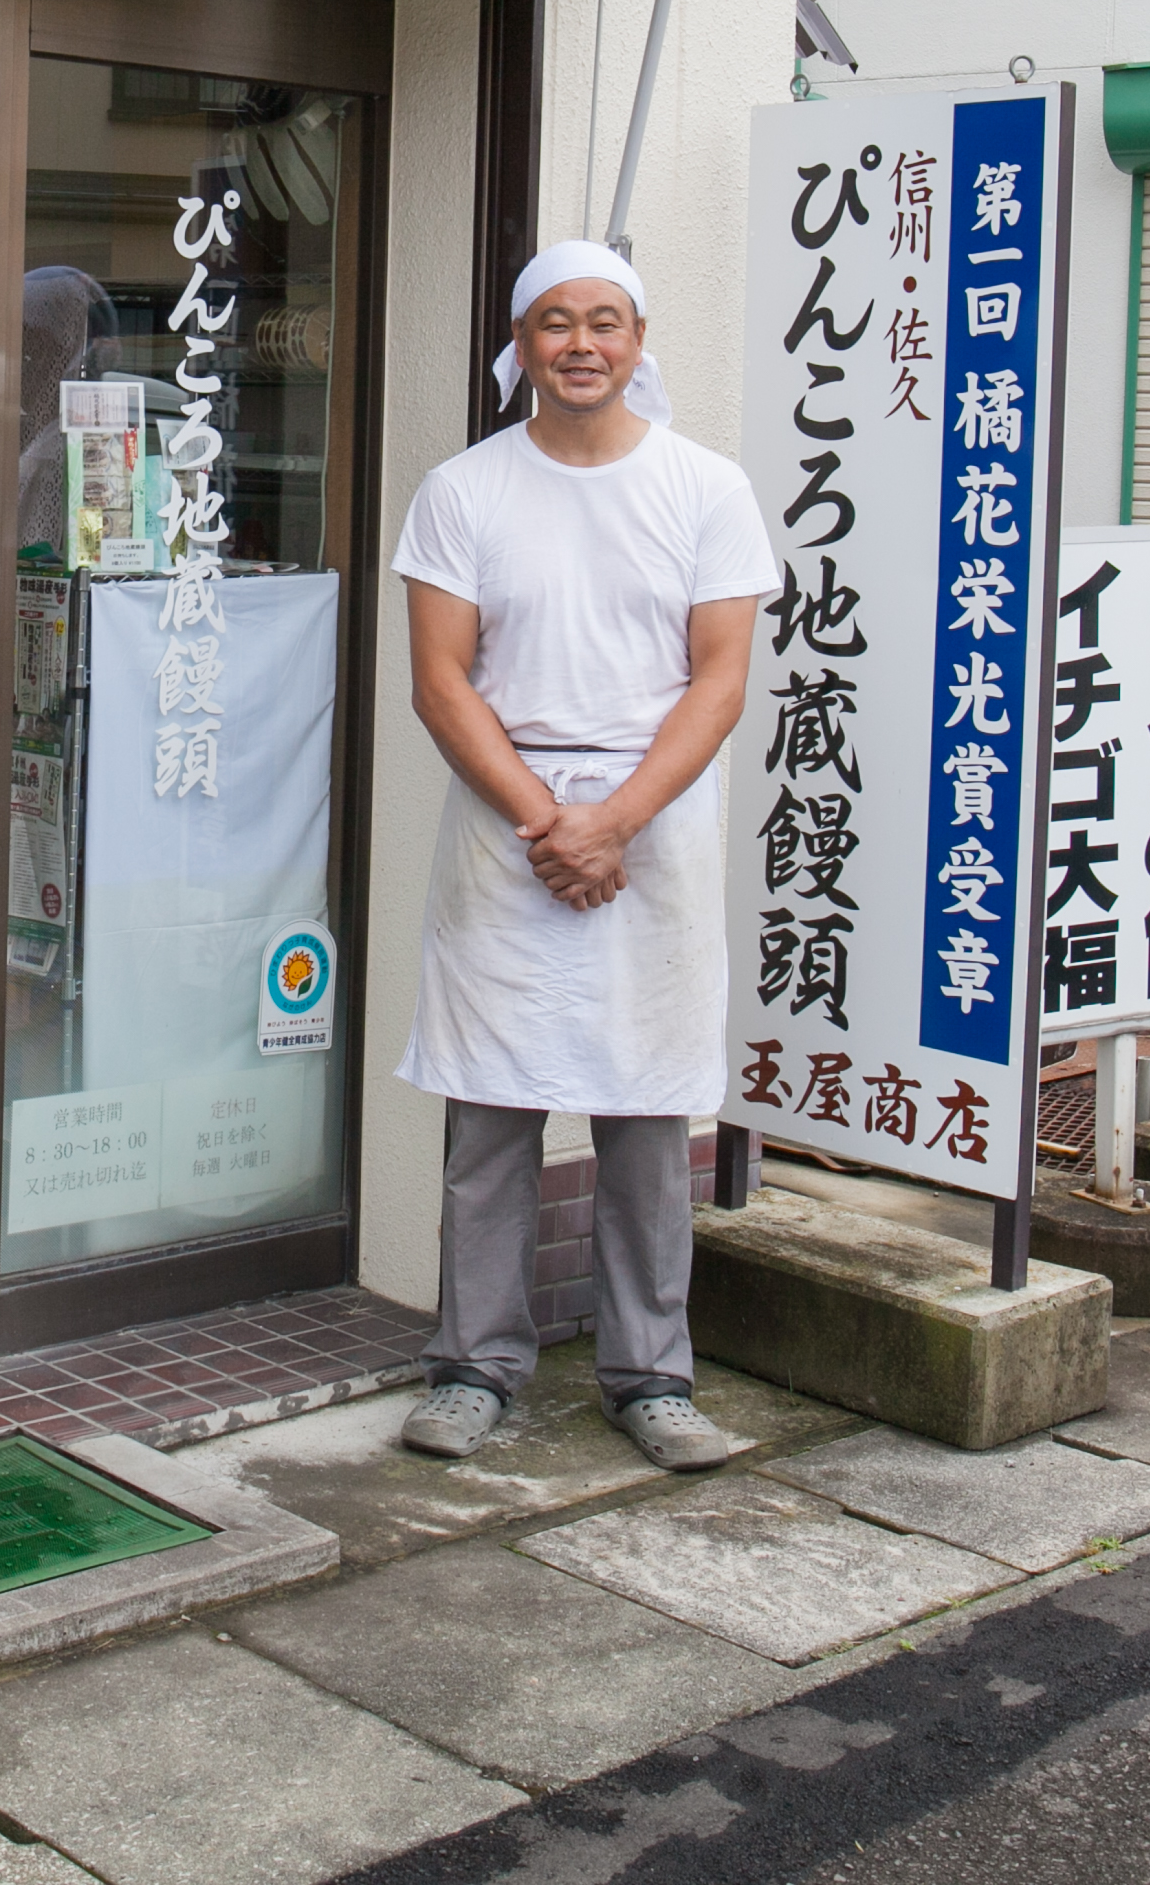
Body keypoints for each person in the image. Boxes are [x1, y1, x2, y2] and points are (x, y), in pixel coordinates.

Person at [386, 240, 780, 1471]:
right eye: (556, 322)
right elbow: (441, 682)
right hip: (507, 826)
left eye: (605, 322)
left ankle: (651, 1377)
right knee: (492, 1113)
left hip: (656, 826)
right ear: (523, 345)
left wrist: (616, 821)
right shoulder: (465, 489)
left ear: (639, 340)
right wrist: (550, 821)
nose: (582, 344)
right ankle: (474, 1367)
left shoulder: (706, 488)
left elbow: (719, 681)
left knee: (649, 1115)